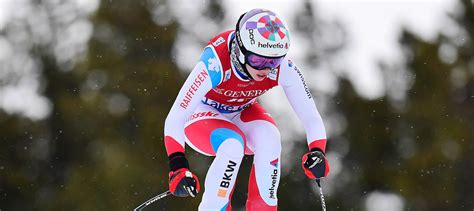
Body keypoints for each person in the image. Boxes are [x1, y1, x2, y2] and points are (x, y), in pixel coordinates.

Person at [164, 8, 330, 211]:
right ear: (240, 51)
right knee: (232, 144)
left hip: (241, 110)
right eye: (258, 61)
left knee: (270, 137)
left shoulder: (282, 68)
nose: (266, 69)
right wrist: (178, 166)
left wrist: (317, 151)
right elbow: (176, 116)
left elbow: (311, 117)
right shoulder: (216, 62)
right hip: (200, 115)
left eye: (274, 61)